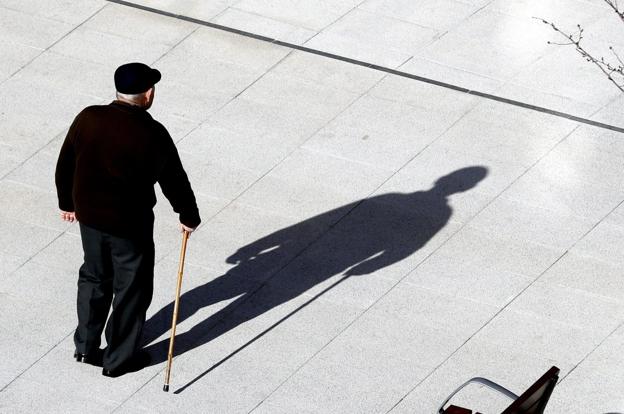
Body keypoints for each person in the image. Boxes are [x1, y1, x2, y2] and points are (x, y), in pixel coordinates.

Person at [55, 62, 201, 377]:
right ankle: (118, 359)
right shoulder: (153, 133)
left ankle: (85, 347)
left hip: (90, 219)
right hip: (128, 227)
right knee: (131, 288)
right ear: (147, 94)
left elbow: (66, 162)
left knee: (94, 278)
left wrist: (67, 202)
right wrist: (188, 215)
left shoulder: (89, 117)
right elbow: (174, 180)